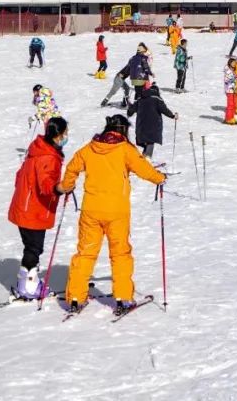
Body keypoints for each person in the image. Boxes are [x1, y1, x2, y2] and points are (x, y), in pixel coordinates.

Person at [57, 114, 166, 315]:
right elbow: (143, 169)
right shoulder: (125, 149)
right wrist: (159, 178)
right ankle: (123, 298)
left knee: (86, 253)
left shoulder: (89, 148)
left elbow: (72, 167)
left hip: (90, 210)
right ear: (124, 130)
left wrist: (66, 186)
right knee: (120, 254)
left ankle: (75, 296)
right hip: (117, 212)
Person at [7, 116, 69, 300]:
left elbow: (20, 177)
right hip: (33, 209)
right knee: (34, 248)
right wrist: (59, 188)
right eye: (65, 133)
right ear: (58, 135)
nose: (66, 136)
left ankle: (26, 283)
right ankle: (29, 286)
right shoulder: (48, 156)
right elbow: (45, 184)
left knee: (31, 247)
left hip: (24, 205)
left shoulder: (37, 149)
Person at [127, 83, 178, 157]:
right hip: (154, 125)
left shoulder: (140, 97)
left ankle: (144, 157)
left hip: (141, 125)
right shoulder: (157, 98)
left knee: (142, 141)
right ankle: (146, 160)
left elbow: (132, 109)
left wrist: (129, 111)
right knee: (150, 141)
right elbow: (164, 109)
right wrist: (173, 116)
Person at [223, 58, 237, 125]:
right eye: (233, 63)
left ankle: (231, 117)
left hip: (233, 90)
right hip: (229, 90)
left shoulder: (233, 70)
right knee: (230, 105)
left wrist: (236, 77)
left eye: (235, 63)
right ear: (229, 63)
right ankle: (229, 118)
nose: (234, 64)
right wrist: (233, 78)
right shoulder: (228, 71)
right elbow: (226, 80)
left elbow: (233, 79)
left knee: (234, 104)